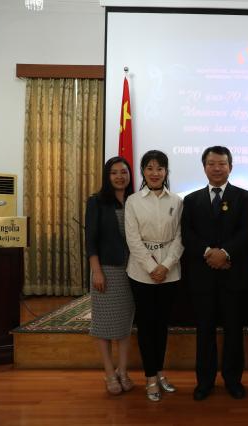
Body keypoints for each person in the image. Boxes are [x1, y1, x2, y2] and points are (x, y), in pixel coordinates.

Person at [182, 146, 248, 401]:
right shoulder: (191, 200)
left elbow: (246, 232)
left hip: (233, 275)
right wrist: (209, 254)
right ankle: (204, 382)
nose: (216, 168)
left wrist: (224, 253)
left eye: (222, 163)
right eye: (211, 163)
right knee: (204, 331)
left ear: (230, 167)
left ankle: (233, 380)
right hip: (203, 277)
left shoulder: (244, 197)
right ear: (204, 167)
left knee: (234, 331)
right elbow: (187, 234)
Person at [125, 150, 184, 402]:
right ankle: (149, 377)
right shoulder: (133, 201)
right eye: (149, 168)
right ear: (143, 171)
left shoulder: (177, 201)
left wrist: (166, 266)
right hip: (141, 273)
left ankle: (160, 372)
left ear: (166, 171)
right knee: (147, 326)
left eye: (159, 168)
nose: (155, 173)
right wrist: (152, 268)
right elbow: (133, 239)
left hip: (170, 272)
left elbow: (180, 237)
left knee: (161, 326)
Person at [85, 156, 135, 395]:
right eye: (114, 172)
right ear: (107, 176)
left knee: (124, 324)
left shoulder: (135, 200)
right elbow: (90, 240)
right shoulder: (96, 201)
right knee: (104, 324)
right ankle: (109, 373)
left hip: (132, 269)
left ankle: (123, 370)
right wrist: (97, 271)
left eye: (123, 172)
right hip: (106, 269)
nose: (119, 176)